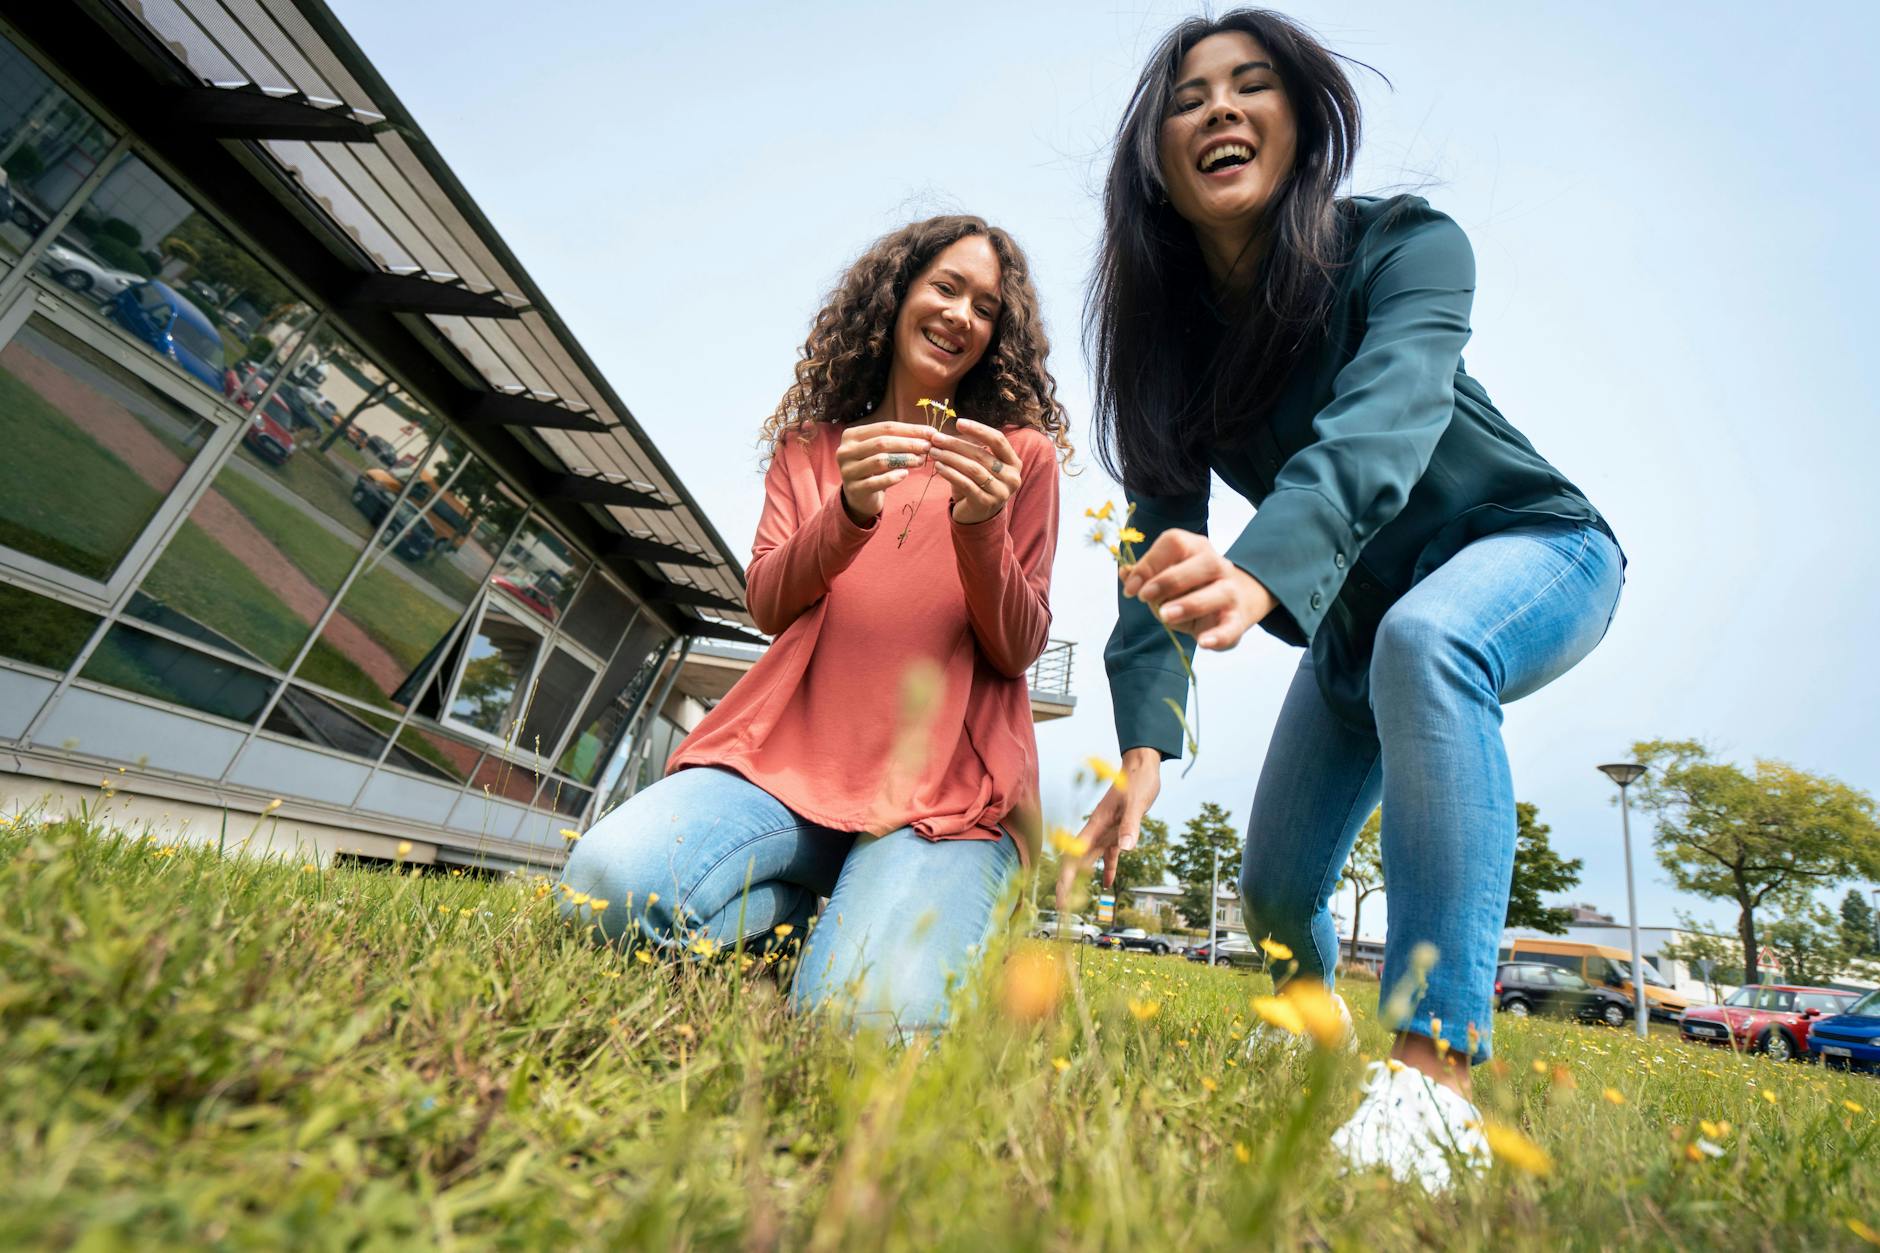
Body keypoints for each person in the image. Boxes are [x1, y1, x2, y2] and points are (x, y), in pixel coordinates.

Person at [1074, 11, 1624, 1190]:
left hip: (1529, 548)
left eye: (1249, 84)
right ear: (1154, 164)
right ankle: (1317, 1047)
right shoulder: (1167, 351)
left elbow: (1383, 415)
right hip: (1351, 630)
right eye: (1187, 97)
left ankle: (1433, 1080)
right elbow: (1155, 548)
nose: (1218, 107)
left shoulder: (1407, 246)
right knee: (1273, 889)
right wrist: (1139, 750)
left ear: (1300, 120)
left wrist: (1263, 568)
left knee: (1428, 642)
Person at [563, 215, 1069, 1034]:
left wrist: (981, 526)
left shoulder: (1016, 458)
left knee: (857, 1024)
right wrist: (849, 509)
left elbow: (1016, 643)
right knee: (606, 885)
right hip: (780, 770)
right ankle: (799, 915)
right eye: (945, 287)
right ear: (897, 294)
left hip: (944, 795)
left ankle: (901, 925)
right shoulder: (811, 449)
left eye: (986, 307)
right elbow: (767, 599)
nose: (961, 315)